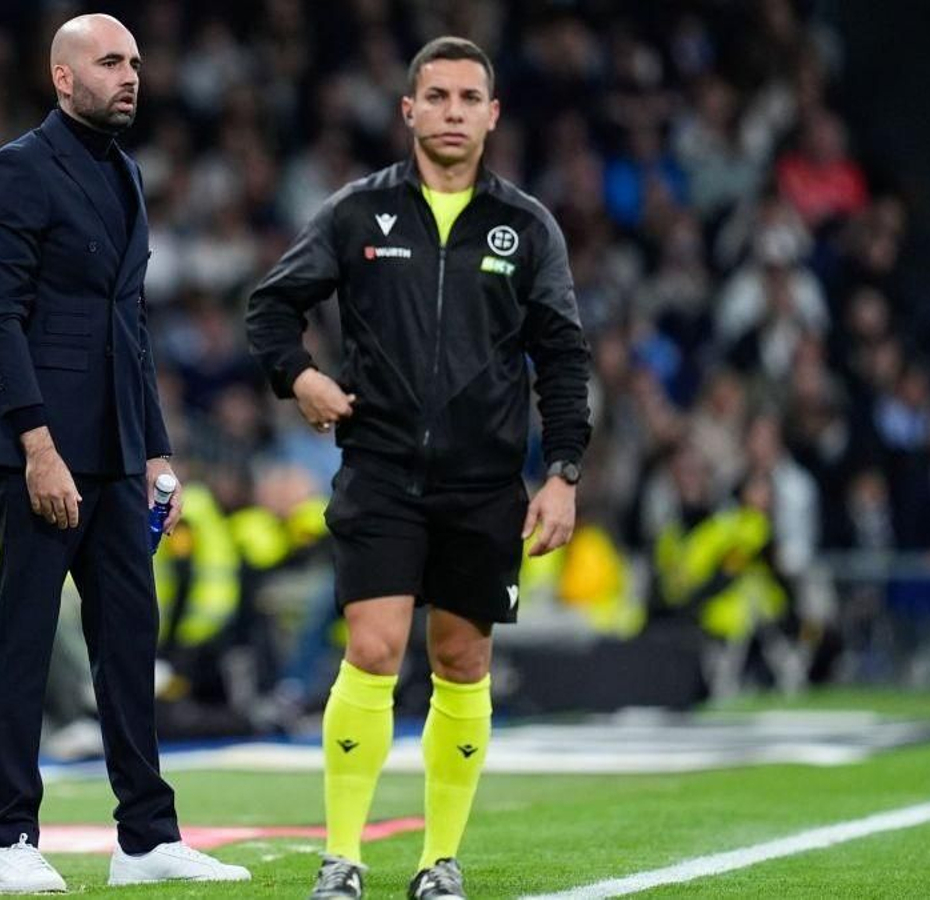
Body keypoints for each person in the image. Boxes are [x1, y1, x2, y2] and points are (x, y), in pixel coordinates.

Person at [247, 36, 592, 900]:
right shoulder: (357, 215)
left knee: (462, 662)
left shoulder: (528, 226)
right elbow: (270, 309)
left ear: (492, 114)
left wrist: (564, 472)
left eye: (467, 99)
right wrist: (303, 378)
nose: (450, 113)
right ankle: (342, 858)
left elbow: (562, 354)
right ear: (408, 111)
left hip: (482, 485)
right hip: (381, 470)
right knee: (370, 648)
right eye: (434, 97)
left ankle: (440, 860)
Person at [0, 13, 248, 894]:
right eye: (111, 61)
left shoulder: (123, 171)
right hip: (43, 447)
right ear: (62, 77)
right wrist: (38, 447)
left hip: (120, 449)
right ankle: (8, 840)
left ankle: (144, 838)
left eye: (136, 60)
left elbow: (129, 324)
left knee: (129, 637)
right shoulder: (17, 169)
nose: (132, 74)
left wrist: (159, 449)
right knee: (26, 634)